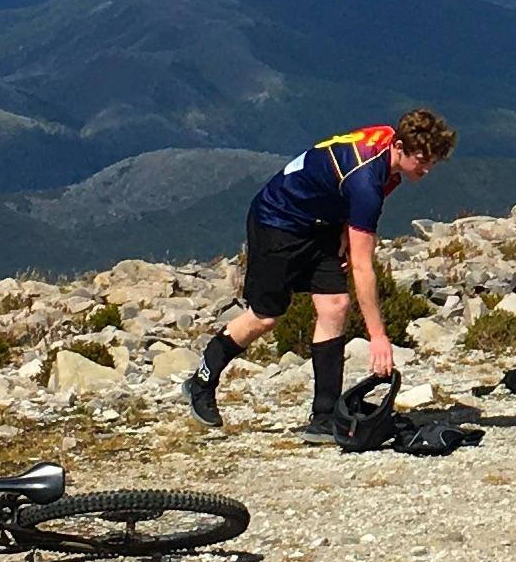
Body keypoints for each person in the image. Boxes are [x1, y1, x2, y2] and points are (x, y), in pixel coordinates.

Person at [186, 107, 458, 433]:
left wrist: (344, 228)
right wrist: (378, 337)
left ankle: (324, 416)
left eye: (432, 162)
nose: (427, 169)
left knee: (335, 305)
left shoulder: (388, 142)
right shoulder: (366, 182)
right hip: (278, 220)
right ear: (399, 147)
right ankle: (202, 380)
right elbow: (362, 267)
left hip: (320, 222)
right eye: (421, 159)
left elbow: (341, 181)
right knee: (265, 316)